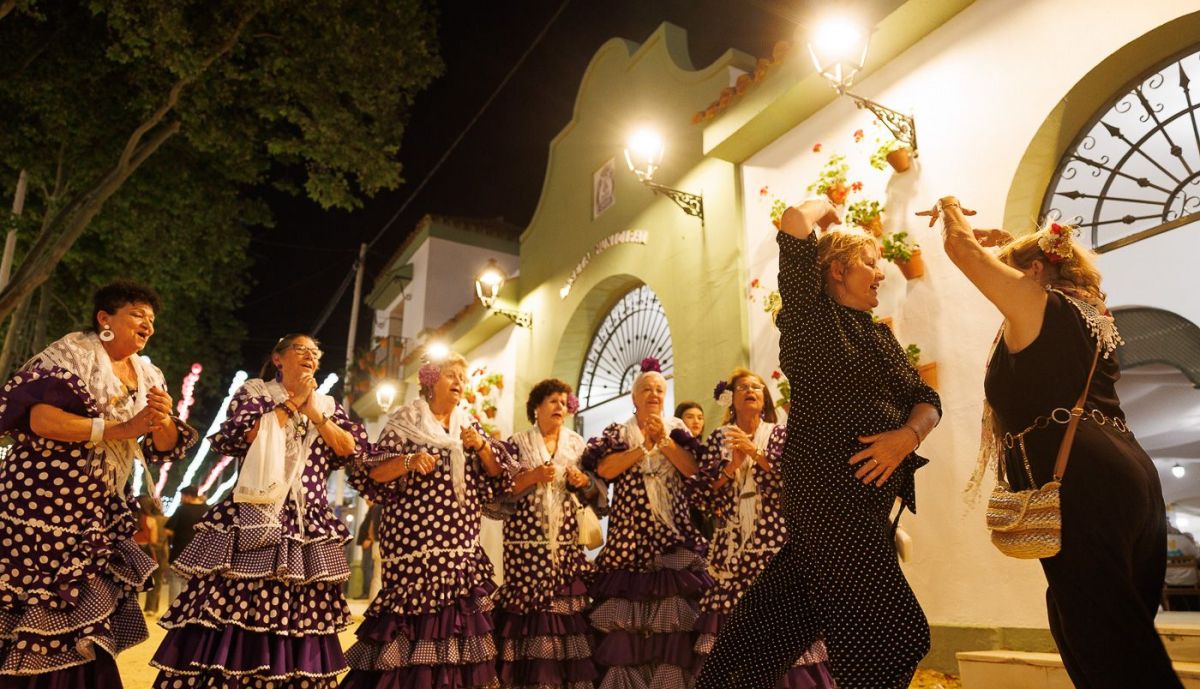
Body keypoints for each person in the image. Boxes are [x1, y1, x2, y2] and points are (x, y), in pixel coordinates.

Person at [928, 196, 1180, 688]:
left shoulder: (1040, 305)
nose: (1004, 284)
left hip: (1083, 478)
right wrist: (1010, 245)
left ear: (1038, 269)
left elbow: (960, 248)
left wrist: (952, 207)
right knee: (1106, 625)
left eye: (1014, 271)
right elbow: (1032, 263)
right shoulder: (1087, 311)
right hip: (1129, 472)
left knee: (1109, 645)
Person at [697, 201, 941, 689]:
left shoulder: (879, 337)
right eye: (870, 262)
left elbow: (927, 399)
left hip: (865, 505)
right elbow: (793, 221)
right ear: (836, 270)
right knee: (896, 634)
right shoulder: (811, 319)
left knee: (778, 621)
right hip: (830, 496)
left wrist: (906, 437)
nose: (880, 272)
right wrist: (831, 207)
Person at [0, 280, 197, 687]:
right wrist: (121, 427)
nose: (148, 325)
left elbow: (166, 445)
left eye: (152, 319)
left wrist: (160, 419)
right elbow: (40, 421)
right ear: (104, 319)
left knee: (83, 613)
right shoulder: (71, 353)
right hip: (39, 500)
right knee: (30, 601)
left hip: (99, 508)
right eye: (137, 315)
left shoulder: (149, 373)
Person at [152, 334, 368, 688]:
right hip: (254, 514)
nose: (310, 356)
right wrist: (289, 405)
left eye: (315, 352)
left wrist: (314, 411)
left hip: (305, 523)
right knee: (235, 605)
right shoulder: (256, 393)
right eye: (300, 350)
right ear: (278, 359)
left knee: (301, 613)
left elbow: (349, 449)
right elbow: (244, 435)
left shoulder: (327, 405)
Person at [341, 352, 514, 689]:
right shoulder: (406, 420)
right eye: (453, 376)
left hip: (460, 552)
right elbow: (375, 473)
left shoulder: (468, 425)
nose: (460, 384)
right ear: (431, 381)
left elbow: (498, 475)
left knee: (456, 632)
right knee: (410, 628)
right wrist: (408, 460)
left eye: (463, 379)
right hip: (414, 551)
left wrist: (480, 446)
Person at [691, 368, 834, 688]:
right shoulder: (719, 437)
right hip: (732, 548)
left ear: (765, 397)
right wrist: (732, 466)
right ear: (732, 398)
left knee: (781, 618)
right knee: (737, 618)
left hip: (775, 542)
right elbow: (703, 493)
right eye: (743, 387)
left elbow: (792, 482)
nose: (750, 391)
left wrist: (755, 453)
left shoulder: (781, 434)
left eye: (756, 387)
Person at [582, 358, 710, 689]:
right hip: (629, 540)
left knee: (676, 620)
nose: (653, 394)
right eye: (646, 390)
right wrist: (643, 449)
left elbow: (693, 470)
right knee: (628, 621)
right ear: (634, 398)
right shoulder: (618, 432)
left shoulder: (677, 428)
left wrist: (664, 443)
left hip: (674, 536)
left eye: (659, 389)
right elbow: (606, 471)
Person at [493, 378, 607, 689]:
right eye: (553, 401)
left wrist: (581, 480)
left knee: (566, 616)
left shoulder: (577, 444)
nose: (560, 406)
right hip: (525, 550)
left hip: (567, 548)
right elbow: (498, 492)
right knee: (530, 619)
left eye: (563, 401)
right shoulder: (516, 444)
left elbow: (595, 491)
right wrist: (531, 476)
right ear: (537, 408)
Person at [163, 485, 207, 603]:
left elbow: (168, 530)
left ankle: (173, 613)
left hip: (180, 551)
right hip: (200, 554)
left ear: (188, 496)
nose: (181, 499)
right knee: (192, 584)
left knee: (176, 581)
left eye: (182, 496)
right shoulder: (207, 510)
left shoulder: (182, 509)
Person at [134, 495, 167, 615]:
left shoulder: (129, 518)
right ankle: (150, 608)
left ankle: (132, 607)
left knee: (133, 581)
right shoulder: (151, 519)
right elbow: (153, 539)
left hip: (130, 550)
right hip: (146, 551)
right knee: (154, 579)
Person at [355, 501, 381, 599]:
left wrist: (370, 539)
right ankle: (368, 593)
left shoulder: (377, 508)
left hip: (372, 543)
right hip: (372, 542)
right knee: (367, 568)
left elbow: (372, 526)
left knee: (369, 569)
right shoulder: (373, 509)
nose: (366, 500)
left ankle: (368, 593)